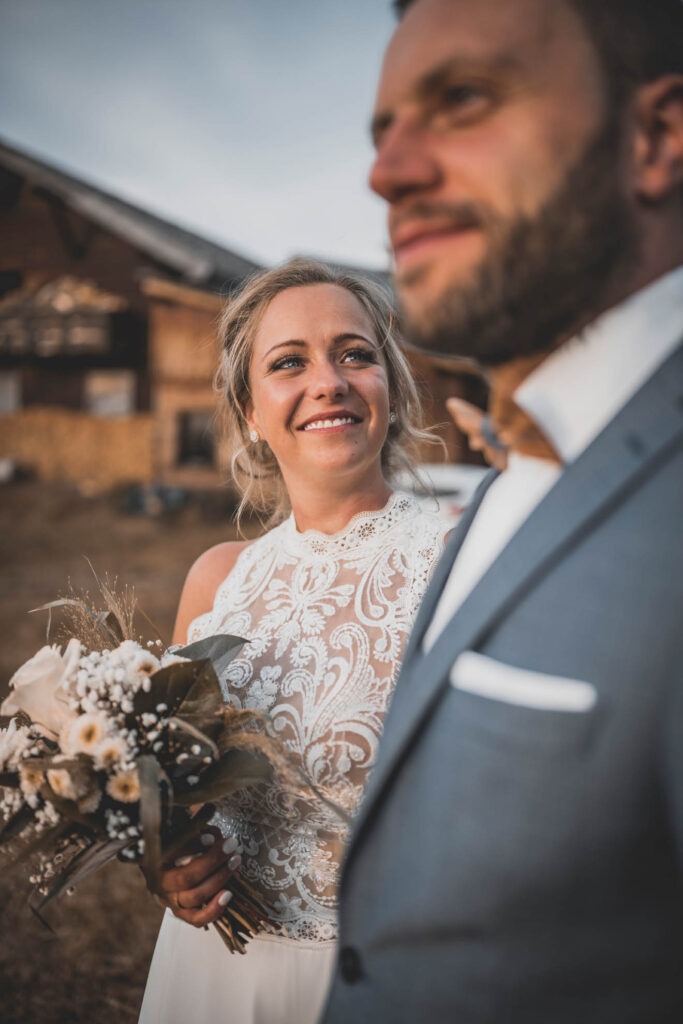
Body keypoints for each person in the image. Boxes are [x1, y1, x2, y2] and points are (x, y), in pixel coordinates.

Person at [321, 1, 683, 1022]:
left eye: (462, 99)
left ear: (654, 137)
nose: (385, 172)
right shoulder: (505, 474)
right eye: (382, 127)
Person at [138, 259, 449, 1024]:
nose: (328, 381)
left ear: (390, 386)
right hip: (214, 977)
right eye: (288, 363)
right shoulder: (216, 582)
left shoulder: (461, 556)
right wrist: (163, 862)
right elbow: (167, 792)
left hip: (387, 981)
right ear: (249, 410)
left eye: (355, 353)